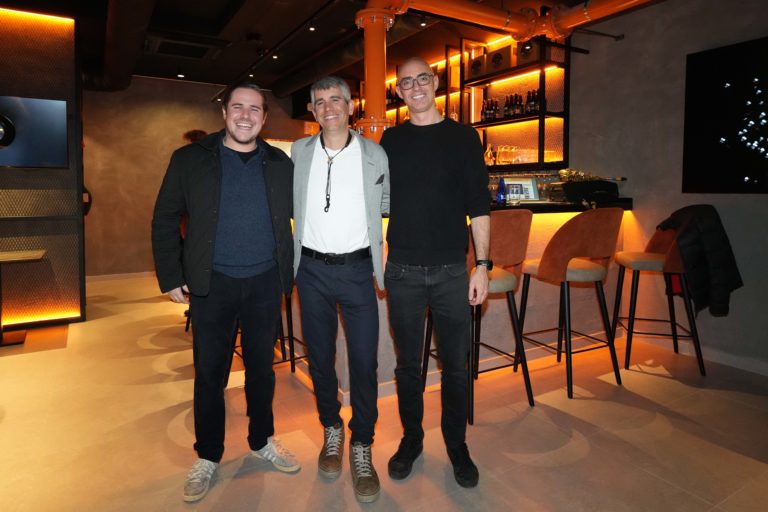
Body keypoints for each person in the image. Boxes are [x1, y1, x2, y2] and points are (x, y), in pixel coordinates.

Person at [152, 81, 299, 503]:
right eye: (238, 107)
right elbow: (164, 218)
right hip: (211, 284)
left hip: (265, 282)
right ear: (224, 113)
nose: (245, 116)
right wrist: (171, 275)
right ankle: (208, 454)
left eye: (254, 109)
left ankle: (262, 440)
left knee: (262, 371)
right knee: (210, 374)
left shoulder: (280, 163)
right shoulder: (189, 159)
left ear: (264, 118)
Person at [379, 57, 491, 489]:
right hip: (402, 270)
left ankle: (457, 445)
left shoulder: (464, 138)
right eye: (406, 82)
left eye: (422, 79)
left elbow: (479, 206)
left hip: (451, 272)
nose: (415, 87)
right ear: (400, 92)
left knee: (456, 368)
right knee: (408, 367)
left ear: (436, 82)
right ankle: (412, 440)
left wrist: (482, 265)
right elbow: (376, 200)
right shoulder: (390, 139)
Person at [291, 76, 389, 503]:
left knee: (365, 361)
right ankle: (331, 427)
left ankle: (362, 441)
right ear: (312, 110)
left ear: (351, 106)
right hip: (311, 270)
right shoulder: (299, 151)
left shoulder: (374, 154)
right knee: (320, 358)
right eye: (320, 101)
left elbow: (386, 205)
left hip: (357, 270)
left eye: (336, 99)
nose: (328, 107)